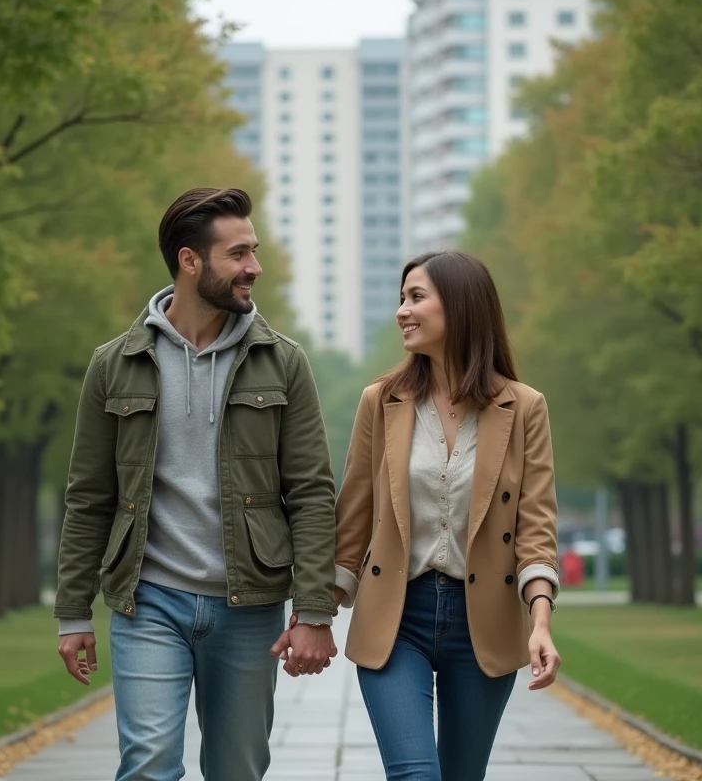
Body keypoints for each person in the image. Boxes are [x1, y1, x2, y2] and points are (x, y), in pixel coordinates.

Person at [54, 187, 338, 781]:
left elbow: (312, 493)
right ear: (190, 261)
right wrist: (73, 613)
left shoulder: (283, 362)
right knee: (148, 764)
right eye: (238, 254)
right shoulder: (115, 364)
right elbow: (89, 499)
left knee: (237, 770)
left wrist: (314, 610)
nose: (254, 267)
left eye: (253, 251)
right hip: (148, 600)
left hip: (250, 606)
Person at [332, 251, 562, 781]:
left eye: (416, 297)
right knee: (416, 775)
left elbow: (535, 527)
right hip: (396, 618)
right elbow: (354, 519)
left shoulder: (524, 408)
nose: (402, 311)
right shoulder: (381, 401)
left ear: (460, 307)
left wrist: (541, 622)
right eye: (401, 298)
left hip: (483, 622)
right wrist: (317, 615)